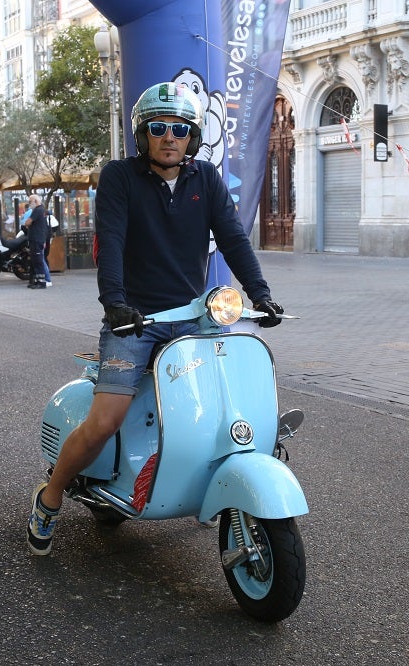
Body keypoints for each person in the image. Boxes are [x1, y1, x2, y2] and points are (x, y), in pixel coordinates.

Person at [27, 81, 284, 556]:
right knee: (106, 419)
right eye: (159, 128)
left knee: (218, 403)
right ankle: (52, 495)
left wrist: (262, 295)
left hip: (190, 316)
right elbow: (112, 243)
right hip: (135, 320)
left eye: (181, 128)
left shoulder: (204, 179)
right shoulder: (120, 177)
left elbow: (232, 239)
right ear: (142, 135)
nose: (171, 136)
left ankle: (209, 485)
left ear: (193, 135)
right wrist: (116, 305)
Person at [24, 194, 50, 289]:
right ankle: (37, 281)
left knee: (38, 261)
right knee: (35, 261)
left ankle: (41, 282)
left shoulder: (38, 210)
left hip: (36, 239)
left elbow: (27, 222)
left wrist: (27, 223)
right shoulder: (42, 210)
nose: (29, 204)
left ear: (35, 201)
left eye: (30, 202)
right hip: (38, 239)